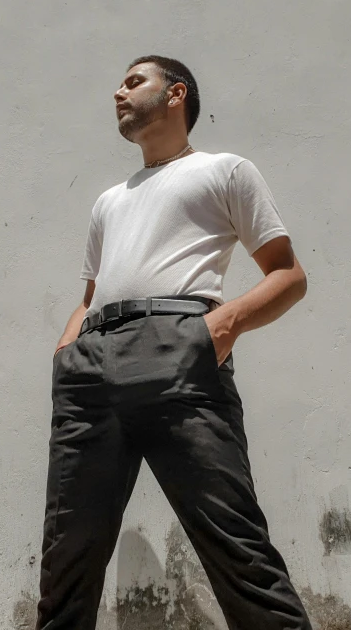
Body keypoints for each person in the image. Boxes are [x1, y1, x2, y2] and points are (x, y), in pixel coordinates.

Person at [36, 55, 312, 630]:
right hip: (92, 368)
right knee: (67, 558)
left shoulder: (224, 170)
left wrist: (220, 327)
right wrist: (67, 355)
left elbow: (288, 276)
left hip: (179, 354)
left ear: (175, 94)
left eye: (134, 81)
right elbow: (90, 295)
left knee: (237, 548)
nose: (118, 91)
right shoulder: (109, 201)